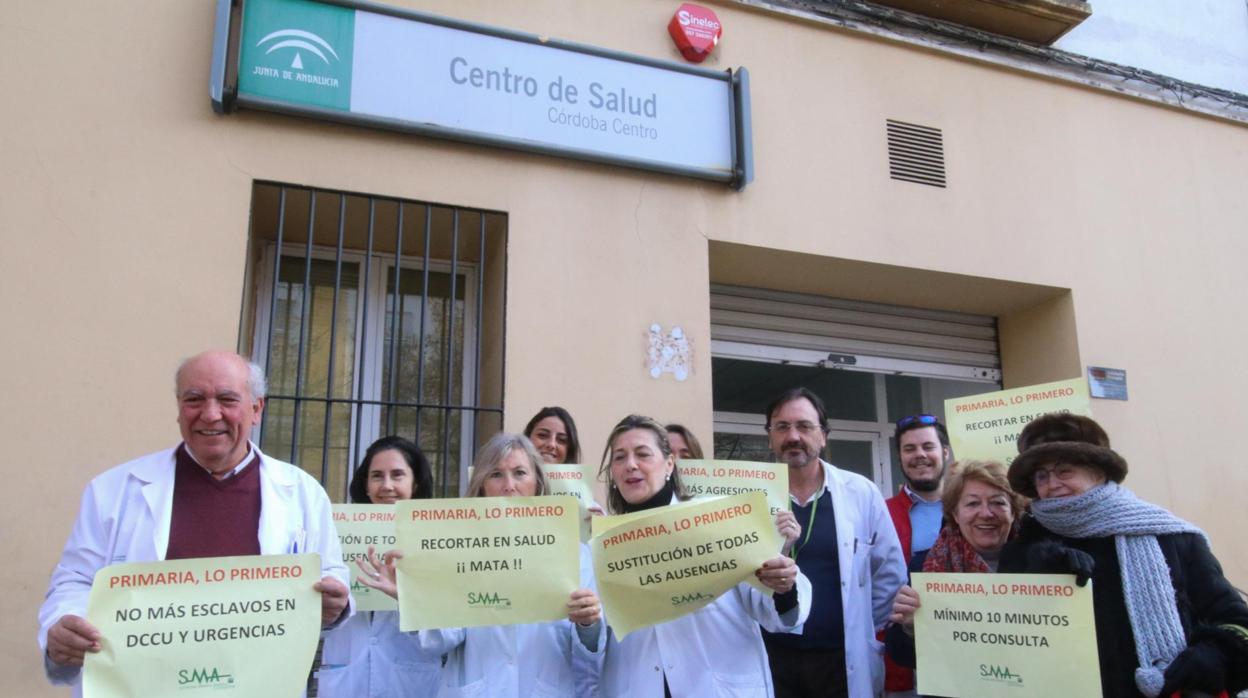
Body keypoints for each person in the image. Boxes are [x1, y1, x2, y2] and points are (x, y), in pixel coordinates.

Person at [38, 350, 351, 692]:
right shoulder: (112, 490)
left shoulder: (302, 492)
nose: (210, 414)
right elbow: (76, 579)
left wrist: (336, 602)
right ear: (179, 409)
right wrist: (62, 625)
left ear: (256, 409)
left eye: (227, 399)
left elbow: (331, 574)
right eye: (194, 399)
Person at [1000, 414, 1248, 698]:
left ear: (1099, 471)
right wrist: (1039, 573)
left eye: (1064, 470)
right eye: (1041, 476)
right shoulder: (1024, 547)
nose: (1052, 484)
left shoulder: (1173, 538)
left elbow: (1235, 619)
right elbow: (1013, 639)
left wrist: (1213, 653)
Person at [357, 432, 604, 697]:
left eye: (520, 473)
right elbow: (442, 639)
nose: (509, 485)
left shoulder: (575, 554)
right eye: (496, 474)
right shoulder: (457, 550)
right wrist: (412, 598)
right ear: (482, 485)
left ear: (538, 482)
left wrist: (588, 624)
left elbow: (588, 655)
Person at [595, 414, 811, 698]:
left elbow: (774, 610)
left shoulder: (718, 519)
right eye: (619, 457)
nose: (630, 465)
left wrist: (784, 587)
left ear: (669, 463)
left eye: (642, 454)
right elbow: (593, 637)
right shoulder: (602, 543)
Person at [762, 387, 905, 698]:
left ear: (823, 435)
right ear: (770, 436)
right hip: (771, 657)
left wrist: (860, 625)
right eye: (782, 427)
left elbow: (889, 575)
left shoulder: (861, 492)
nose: (793, 436)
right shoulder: (751, 498)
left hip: (840, 659)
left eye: (804, 426)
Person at [318, 436, 440, 698]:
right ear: (366, 484)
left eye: (397, 475)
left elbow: (448, 635)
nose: (387, 486)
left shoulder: (435, 538)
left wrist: (406, 597)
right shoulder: (337, 531)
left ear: (415, 482)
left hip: (409, 681)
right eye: (377, 476)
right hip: (347, 677)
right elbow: (319, 618)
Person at [884, 460, 1025, 674]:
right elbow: (901, 655)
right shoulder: (924, 567)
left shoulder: (1041, 563)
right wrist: (911, 627)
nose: (986, 513)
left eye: (998, 503)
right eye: (972, 504)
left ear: (1013, 512)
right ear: (955, 515)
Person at [882, 414, 953, 696]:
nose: (919, 455)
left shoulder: (973, 508)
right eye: (909, 449)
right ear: (899, 456)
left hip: (967, 651)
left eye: (928, 446)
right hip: (904, 665)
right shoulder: (880, 512)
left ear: (944, 452)